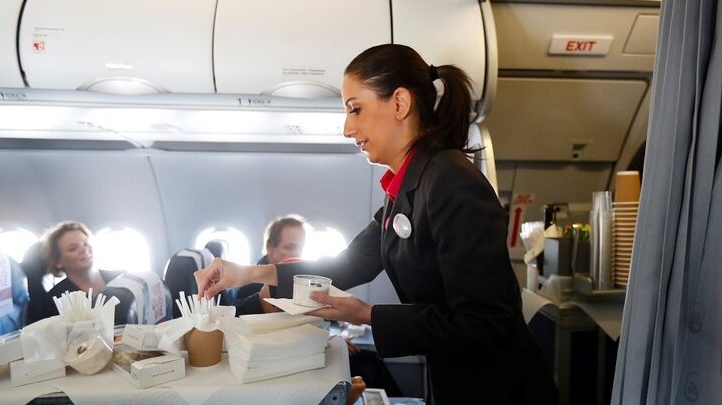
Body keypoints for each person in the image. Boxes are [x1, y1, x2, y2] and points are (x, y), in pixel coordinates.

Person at [195, 44, 556, 404]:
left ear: (399, 103)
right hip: (458, 379)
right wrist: (247, 273)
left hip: (502, 389)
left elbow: (487, 322)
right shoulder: (408, 187)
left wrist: (367, 314)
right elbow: (350, 263)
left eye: (355, 109)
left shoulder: (451, 182)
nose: (347, 128)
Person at [33, 221, 124, 321]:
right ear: (58, 261)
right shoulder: (55, 301)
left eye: (86, 243)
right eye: (73, 248)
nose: (84, 249)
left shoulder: (122, 279)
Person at [233, 214, 307, 315]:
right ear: (270, 248)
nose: (298, 254)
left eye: (301, 248)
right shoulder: (252, 281)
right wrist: (260, 302)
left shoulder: (300, 278)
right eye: (289, 248)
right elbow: (236, 313)